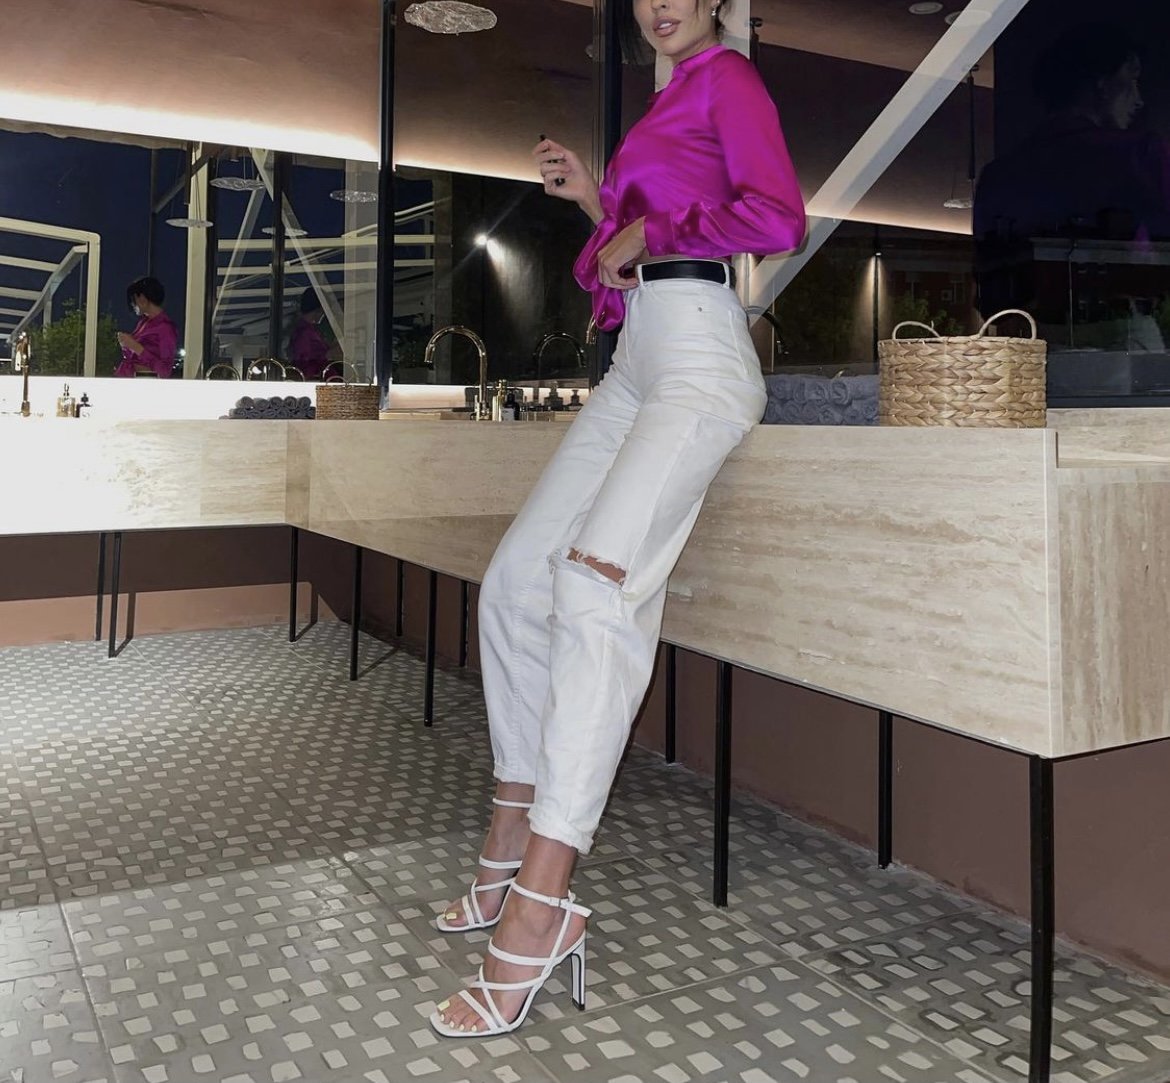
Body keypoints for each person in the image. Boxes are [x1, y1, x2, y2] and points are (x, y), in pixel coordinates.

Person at [430, 0, 805, 1039]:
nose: (660, 5)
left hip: (698, 356)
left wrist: (652, 230)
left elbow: (778, 216)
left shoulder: (729, 79)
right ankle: (508, 838)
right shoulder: (665, 105)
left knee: (591, 591)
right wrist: (601, 201)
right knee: (515, 584)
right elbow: (624, 254)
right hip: (637, 359)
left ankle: (542, 903)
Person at [115, 277, 178, 378]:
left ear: (142, 298)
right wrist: (127, 345)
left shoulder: (165, 328)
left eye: (134, 300)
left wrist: (136, 347)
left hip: (145, 382)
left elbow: (164, 370)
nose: (132, 304)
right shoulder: (143, 323)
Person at [288, 288, 332, 380]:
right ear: (319, 309)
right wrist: (329, 354)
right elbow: (303, 363)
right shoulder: (305, 332)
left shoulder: (307, 330)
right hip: (313, 380)